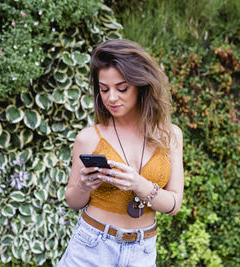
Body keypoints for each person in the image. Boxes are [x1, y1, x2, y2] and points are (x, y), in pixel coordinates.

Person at [57, 39, 184, 267]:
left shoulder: (171, 135)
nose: (111, 98)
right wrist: (84, 186)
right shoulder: (88, 138)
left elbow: (174, 205)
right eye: (104, 89)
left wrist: (139, 184)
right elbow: (73, 201)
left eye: (121, 88)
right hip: (92, 247)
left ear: (141, 85)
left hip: (143, 251)